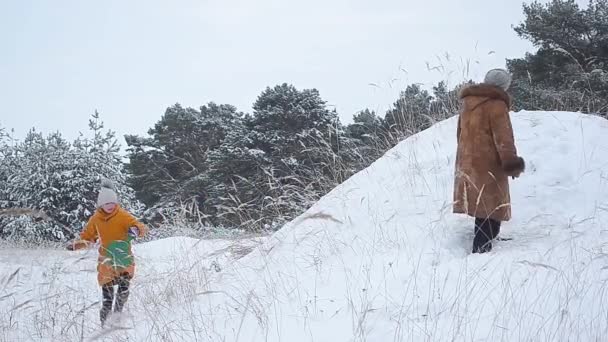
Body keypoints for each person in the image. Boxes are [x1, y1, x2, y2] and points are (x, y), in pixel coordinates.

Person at [453, 68, 525, 253]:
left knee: (481, 203)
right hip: (489, 163)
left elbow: (460, 134)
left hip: (468, 161)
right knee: (492, 201)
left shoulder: (468, 103)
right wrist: (511, 163)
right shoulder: (497, 106)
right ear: (503, 86)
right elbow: (504, 140)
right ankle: (481, 248)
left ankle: (487, 239)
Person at [67, 179, 147, 325]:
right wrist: (76, 245)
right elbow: (87, 237)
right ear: (101, 205)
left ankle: (117, 315)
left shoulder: (122, 215)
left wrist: (136, 229)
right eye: (107, 204)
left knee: (123, 290)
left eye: (112, 203)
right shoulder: (96, 219)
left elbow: (140, 226)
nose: (110, 206)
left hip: (124, 259)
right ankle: (104, 322)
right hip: (106, 262)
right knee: (107, 296)